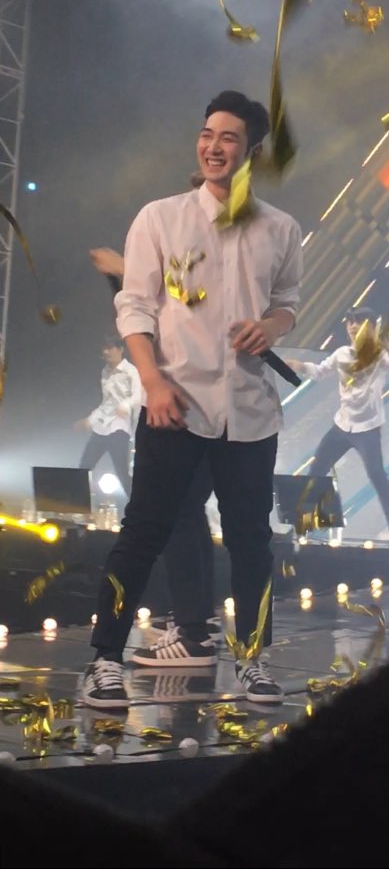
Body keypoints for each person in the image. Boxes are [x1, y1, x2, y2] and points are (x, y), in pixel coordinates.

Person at [82, 89, 303, 709]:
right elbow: (135, 307)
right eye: (208, 134)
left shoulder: (281, 229)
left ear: (251, 151)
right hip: (174, 406)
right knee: (142, 533)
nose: (213, 146)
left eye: (228, 137)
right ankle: (104, 660)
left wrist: (272, 327)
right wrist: (153, 383)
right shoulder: (161, 218)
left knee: (251, 542)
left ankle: (253, 660)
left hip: (250, 414)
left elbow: (288, 301)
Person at [89, 244, 218, 665]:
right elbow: (147, 308)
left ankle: (187, 633)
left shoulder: (204, 248)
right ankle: (196, 625)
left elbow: (186, 302)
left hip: (182, 403)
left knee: (163, 519)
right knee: (186, 511)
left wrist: (124, 268)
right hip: (193, 403)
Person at [288, 307, 389, 544]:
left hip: (368, 429)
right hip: (342, 425)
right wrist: (299, 365)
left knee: (377, 476)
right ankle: (305, 528)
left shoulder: (379, 354)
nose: (353, 326)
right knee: (316, 470)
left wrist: (388, 346)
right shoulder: (341, 353)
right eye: (350, 322)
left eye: (359, 322)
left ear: (370, 327)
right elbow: (320, 371)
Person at [75, 336, 141, 499]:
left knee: (122, 472)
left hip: (119, 427)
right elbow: (106, 402)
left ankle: (138, 507)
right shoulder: (105, 372)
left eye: (110, 348)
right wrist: (90, 420)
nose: (106, 352)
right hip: (102, 427)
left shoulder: (131, 371)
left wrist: (125, 405)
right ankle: (76, 505)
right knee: (84, 467)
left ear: (120, 350)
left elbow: (139, 395)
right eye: (104, 348)